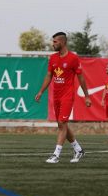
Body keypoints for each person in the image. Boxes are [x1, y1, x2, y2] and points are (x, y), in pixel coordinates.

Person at [35, 32, 91, 163]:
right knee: (62, 124)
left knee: (62, 123)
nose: (52, 44)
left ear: (63, 42)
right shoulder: (53, 58)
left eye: (55, 42)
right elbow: (49, 76)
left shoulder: (73, 58)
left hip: (67, 95)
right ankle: (78, 150)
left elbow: (81, 78)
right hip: (56, 96)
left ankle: (56, 155)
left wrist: (87, 96)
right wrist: (41, 91)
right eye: (52, 41)